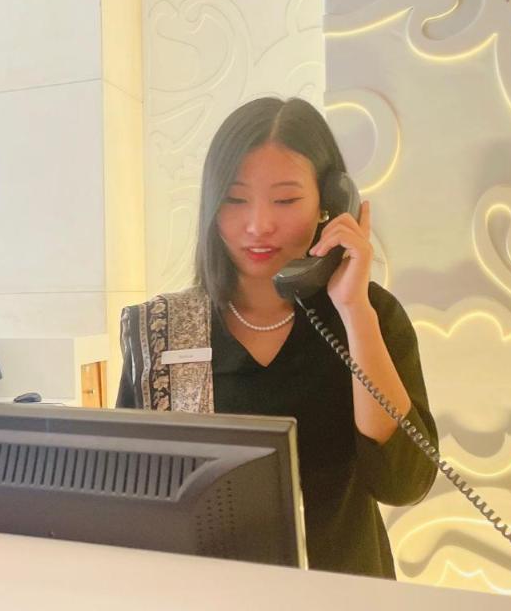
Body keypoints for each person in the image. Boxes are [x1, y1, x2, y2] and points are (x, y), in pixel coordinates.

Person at [116, 97, 438, 579]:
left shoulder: (369, 318)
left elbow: (402, 483)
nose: (258, 225)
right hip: (207, 597)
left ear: (331, 205)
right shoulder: (161, 331)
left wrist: (353, 311)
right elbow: (127, 495)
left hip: (344, 597)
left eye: (286, 200)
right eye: (235, 199)